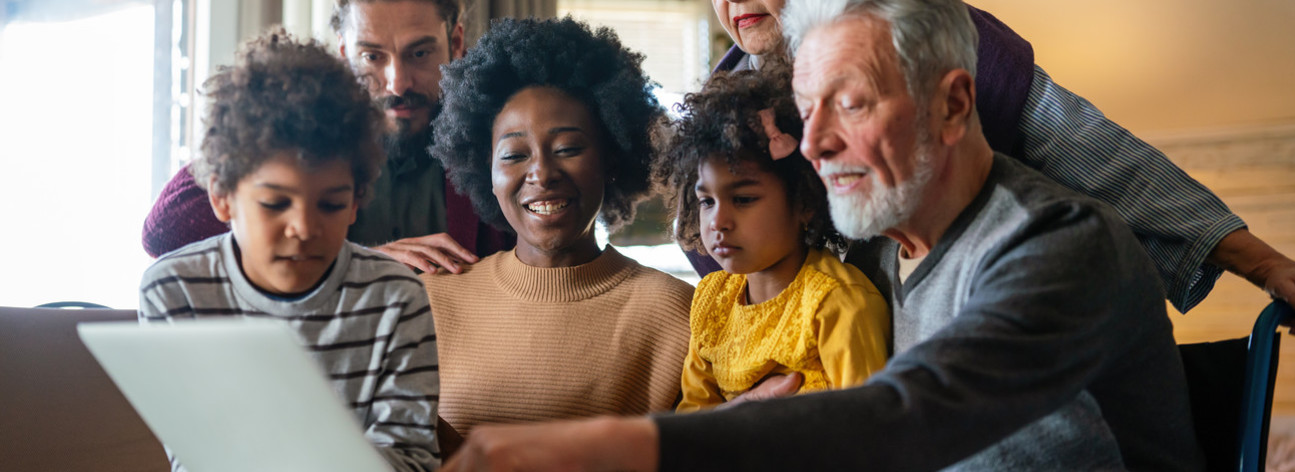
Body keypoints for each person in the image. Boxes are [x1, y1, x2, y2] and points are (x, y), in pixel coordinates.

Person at [437, 0, 1205, 470]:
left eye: (854, 103)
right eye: (811, 111)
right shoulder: (879, 250)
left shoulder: (1057, 245)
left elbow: (909, 415)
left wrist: (616, 448)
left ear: (954, 103)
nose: (816, 145)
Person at [696, 0, 1295, 316]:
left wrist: (1265, 264)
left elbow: (1098, 155)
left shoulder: (913, 35)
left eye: (851, 103)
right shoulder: (720, 107)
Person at [137, 31, 440, 471]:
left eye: (332, 204)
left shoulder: (397, 297)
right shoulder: (175, 291)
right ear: (221, 197)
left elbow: (414, 464)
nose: (303, 228)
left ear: (356, 201)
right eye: (275, 203)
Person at [419, 17, 692, 441]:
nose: (542, 173)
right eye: (513, 155)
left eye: (568, 148)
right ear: (484, 171)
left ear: (611, 159)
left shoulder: (676, 313)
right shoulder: (430, 301)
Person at [142, 0, 513, 274]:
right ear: (342, 52)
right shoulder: (308, 127)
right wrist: (352, 262)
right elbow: (166, 231)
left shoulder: (495, 144)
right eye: (372, 56)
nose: (397, 82)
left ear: (456, 41)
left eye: (419, 53)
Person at [654, 65, 889, 413]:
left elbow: (869, 429)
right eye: (707, 201)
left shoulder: (836, 303)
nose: (718, 221)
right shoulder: (712, 301)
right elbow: (692, 420)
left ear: (805, 202)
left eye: (744, 199)